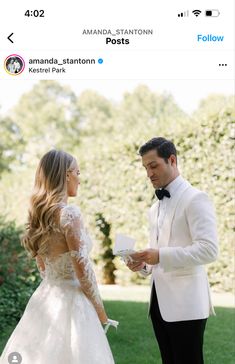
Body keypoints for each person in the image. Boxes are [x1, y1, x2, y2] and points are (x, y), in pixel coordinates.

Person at [0, 150, 116, 364]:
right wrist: (101, 313)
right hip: (72, 300)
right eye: (77, 173)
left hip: (46, 297)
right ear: (66, 175)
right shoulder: (69, 214)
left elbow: (43, 268)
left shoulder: (39, 216)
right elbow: (83, 270)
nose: (79, 180)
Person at [126, 137, 218, 364]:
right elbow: (157, 255)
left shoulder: (196, 198)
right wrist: (143, 264)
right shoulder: (154, 208)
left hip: (187, 305)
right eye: (146, 168)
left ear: (172, 160)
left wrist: (160, 255)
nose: (149, 173)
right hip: (158, 303)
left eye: (153, 165)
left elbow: (209, 250)